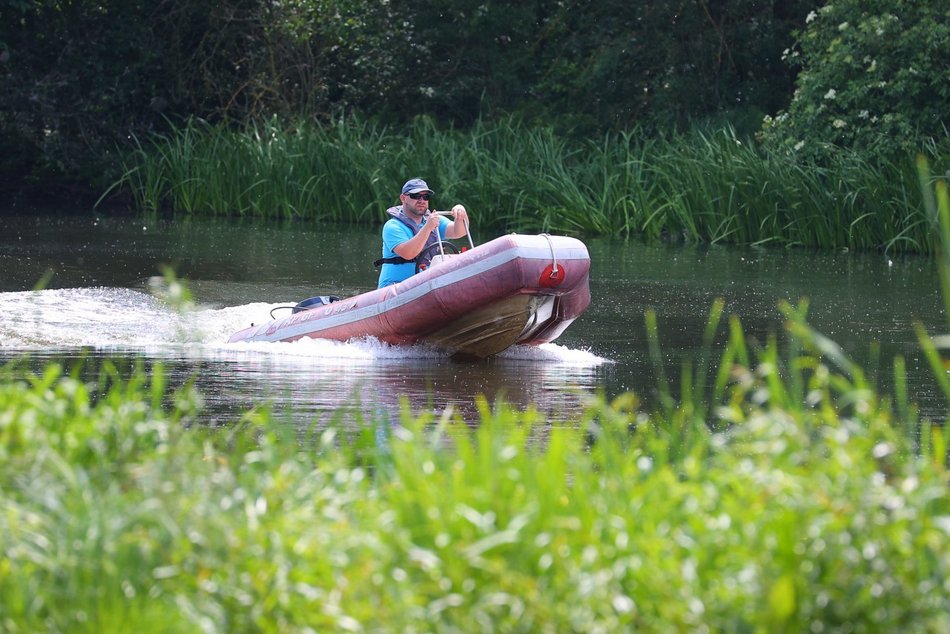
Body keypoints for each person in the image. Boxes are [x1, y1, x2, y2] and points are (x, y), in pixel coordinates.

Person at [376, 177, 470, 288]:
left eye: (425, 197)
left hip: (424, 285)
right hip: (395, 286)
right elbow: (408, 253)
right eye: (415, 196)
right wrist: (427, 227)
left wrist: (461, 214)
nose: (421, 201)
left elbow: (459, 231)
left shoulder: (434, 220)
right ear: (403, 198)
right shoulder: (392, 226)